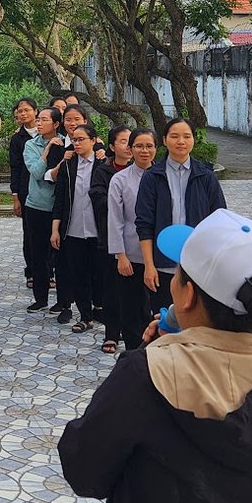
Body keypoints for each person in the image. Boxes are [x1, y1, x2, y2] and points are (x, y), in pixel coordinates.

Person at [58, 209, 252, 503]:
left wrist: (149, 354)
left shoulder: (143, 376)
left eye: (177, 273)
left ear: (187, 295)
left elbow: (84, 471)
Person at [135, 118, 227, 312]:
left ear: (193, 139)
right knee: (163, 319)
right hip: (163, 265)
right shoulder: (152, 176)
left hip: (198, 266)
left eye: (187, 136)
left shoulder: (206, 176)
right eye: (175, 136)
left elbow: (219, 220)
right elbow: (144, 224)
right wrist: (149, 266)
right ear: (164, 140)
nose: (181, 141)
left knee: (197, 318)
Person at [50, 124, 114, 332]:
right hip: (73, 229)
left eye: (81, 139)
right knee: (79, 274)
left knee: (100, 273)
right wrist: (55, 229)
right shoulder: (68, 165)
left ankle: (100, 308)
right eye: (74, 140)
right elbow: (60, 199)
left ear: (93, 140)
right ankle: (85, 316)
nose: (77, 143)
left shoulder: (104, 164)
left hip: (99, 229)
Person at [105, 128, 158, 353]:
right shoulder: (120, 180)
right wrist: (120, 255)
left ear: (156, 148)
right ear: (130, 149)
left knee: (156, 309)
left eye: (149, 146)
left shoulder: (163, 177)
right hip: (130, 254)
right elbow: (115, 219)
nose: (144, 151)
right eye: (139, 146)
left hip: (159, 255)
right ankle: (133, 355)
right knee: (131, 308)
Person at [21, 108, 64, 312]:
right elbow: (37, 172)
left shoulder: (66, 143)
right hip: (37, 206)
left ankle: (62, 301)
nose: (39, 123)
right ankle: (41, 298)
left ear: (55, 124)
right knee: (38, 254)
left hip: (60, 206)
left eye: (44, 120)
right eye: (38, 119)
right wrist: (46, 151)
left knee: (59, 256)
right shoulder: (31, 145)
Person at [6, 99, 39, 286]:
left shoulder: (47, 134)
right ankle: (31, 271)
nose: (23, 114)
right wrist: (15, 196)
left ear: (36, 111)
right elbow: (15, 168)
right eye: (20, 111)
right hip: (26, 192)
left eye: (27, 110)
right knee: (30, 233)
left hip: (47, 191)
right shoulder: (17, 139)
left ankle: (49, 271)